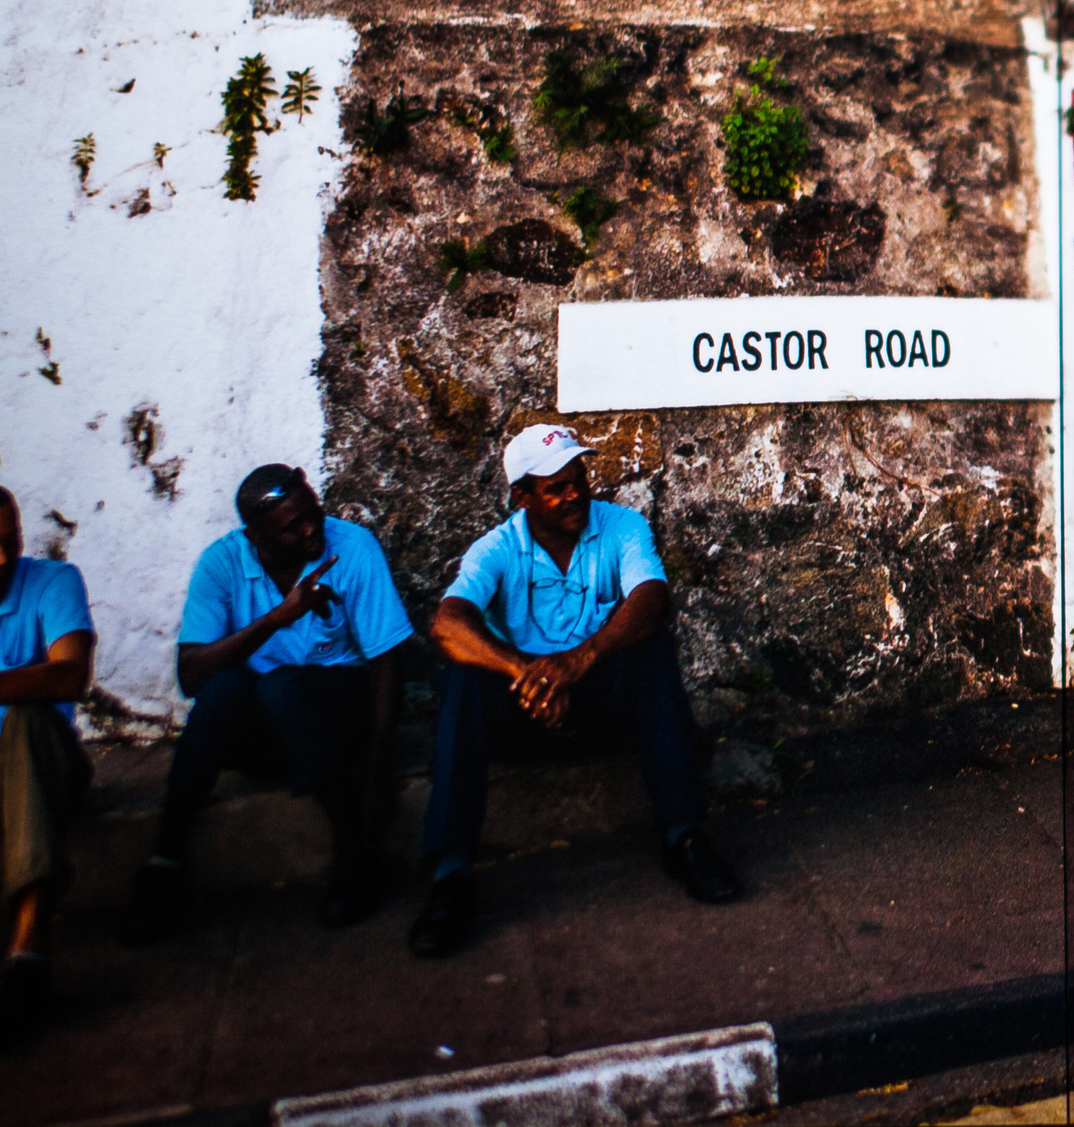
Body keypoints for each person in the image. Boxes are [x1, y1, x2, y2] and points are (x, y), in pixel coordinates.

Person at [410, 424, 737, 959]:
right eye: (555, 487)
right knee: (463, 677)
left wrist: (578, 660)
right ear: (523, 497)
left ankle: (685, 837)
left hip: (596, 702)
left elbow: (651, 597)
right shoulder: (497, 548)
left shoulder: (621, 527)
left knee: (651, 650)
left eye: (578, 479)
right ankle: (451, 877)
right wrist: (526, 671)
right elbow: (447, 623)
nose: (574, 494)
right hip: (524, 708)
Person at [121, 466, 413, 944]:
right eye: (293, 527)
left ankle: (355, 851)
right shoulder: (221, 564)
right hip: (268, 731)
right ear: (256, 537)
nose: (311, 529)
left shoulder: (353, 547)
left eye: (313, 514)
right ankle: (164, 861)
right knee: (223, 690)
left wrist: (378, 771)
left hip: (335, 721)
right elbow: (191, 675)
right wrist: (277, 618)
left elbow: (386, 663)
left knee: (284, 687)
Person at [0, 486, 96, 1039]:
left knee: (27, 719)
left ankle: (30, 942)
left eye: (10, 539)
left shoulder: (53, 582)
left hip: (48, 762)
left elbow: (69, 675)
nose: (2, 557)